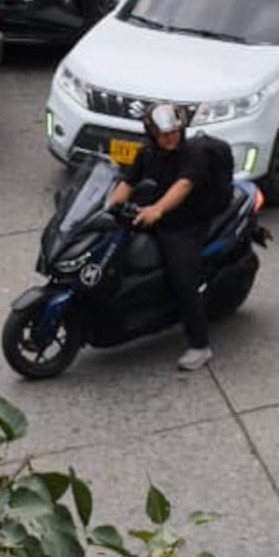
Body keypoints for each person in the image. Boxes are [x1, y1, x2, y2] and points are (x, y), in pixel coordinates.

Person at [107, 102, 213, 372]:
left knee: (184, 278)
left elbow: (184, 185)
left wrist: (158, 209)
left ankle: (200, 345)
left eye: (175, 132)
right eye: (165, 134)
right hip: (151, 215)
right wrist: (108, 207)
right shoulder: (147, 153)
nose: (171, 138)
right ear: (152, 133)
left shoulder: (192, 154)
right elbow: (127, 183)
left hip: (185, 224)